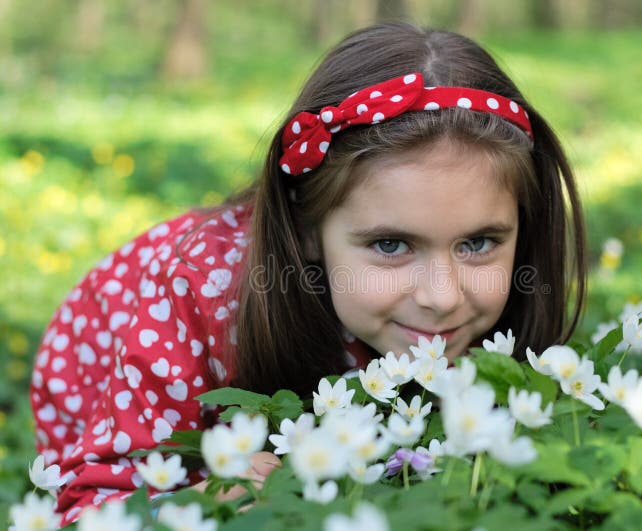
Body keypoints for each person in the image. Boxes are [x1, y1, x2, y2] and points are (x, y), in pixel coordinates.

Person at [29, 21, 587, 524]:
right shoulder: (198, 288)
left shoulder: (500, 303)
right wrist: (207, 503)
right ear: (305, 229)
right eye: (391, 244)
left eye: (479, 242)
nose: (442, 298)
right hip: (119, 400)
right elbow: (87, 507)